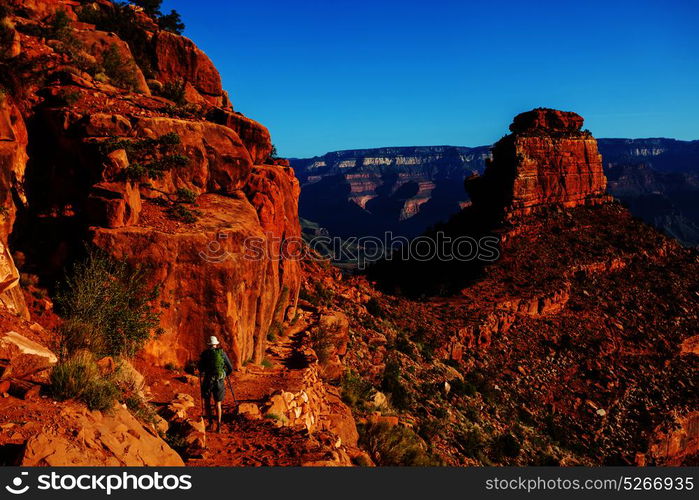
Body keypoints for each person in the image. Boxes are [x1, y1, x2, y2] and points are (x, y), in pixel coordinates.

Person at [198, 336, 233, 433]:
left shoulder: (205, 354)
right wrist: (224, 374)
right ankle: (219, 426)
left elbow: (200, 369)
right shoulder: (222, 353)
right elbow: (230, 368)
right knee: (218, 404)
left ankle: (210, 424)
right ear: (216, 344)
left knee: (207, 403)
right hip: (219, 381)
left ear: (209, 344)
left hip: (208, 381)